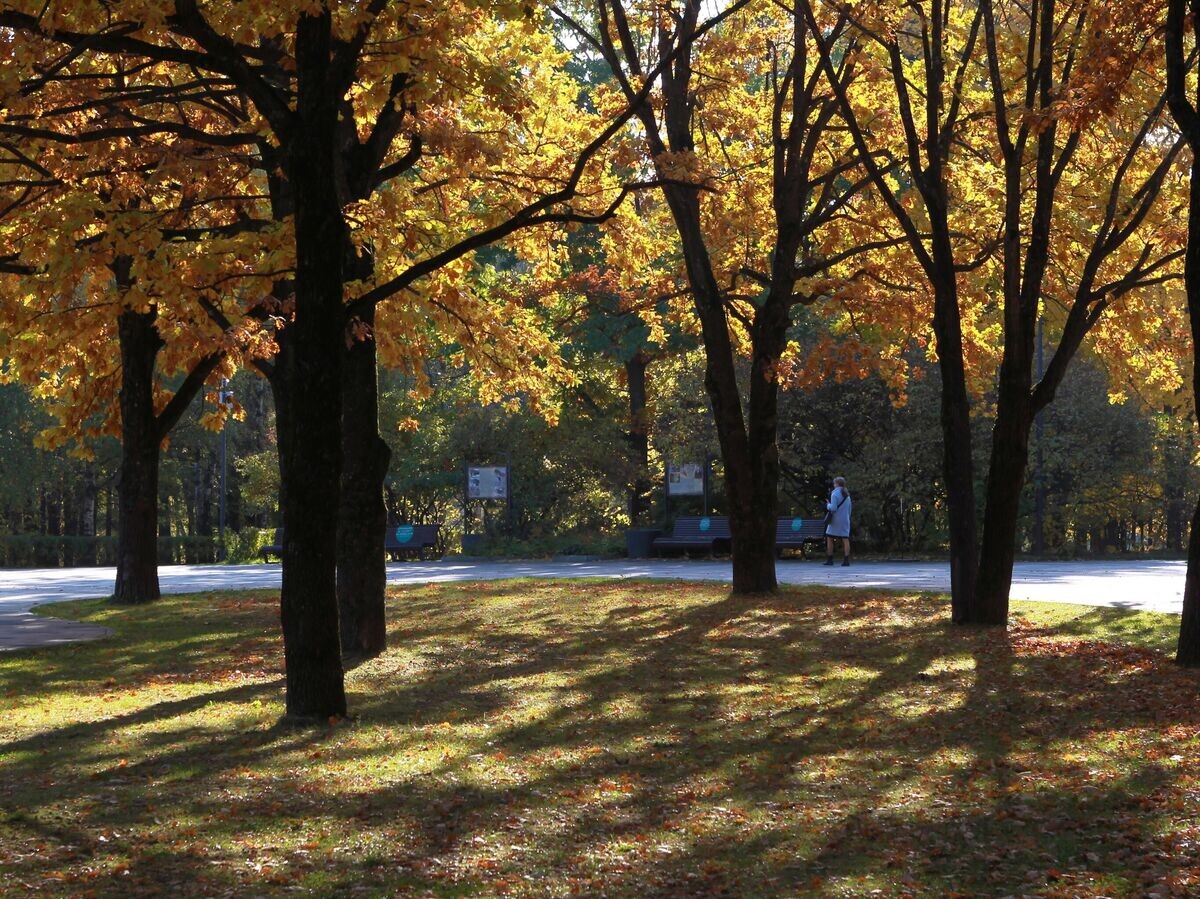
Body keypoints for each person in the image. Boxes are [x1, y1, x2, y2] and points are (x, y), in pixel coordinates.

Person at [824, 476, 852, 566]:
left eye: (834, 483)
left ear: (836, 484)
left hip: (835, 520)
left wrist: (828, 505)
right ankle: (846, 560)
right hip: (845, 520)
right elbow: (849, 509)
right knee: (845, 539)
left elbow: (833, 508)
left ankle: (830, 559)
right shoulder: (846, 495)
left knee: (829, 537)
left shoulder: (834, 494)